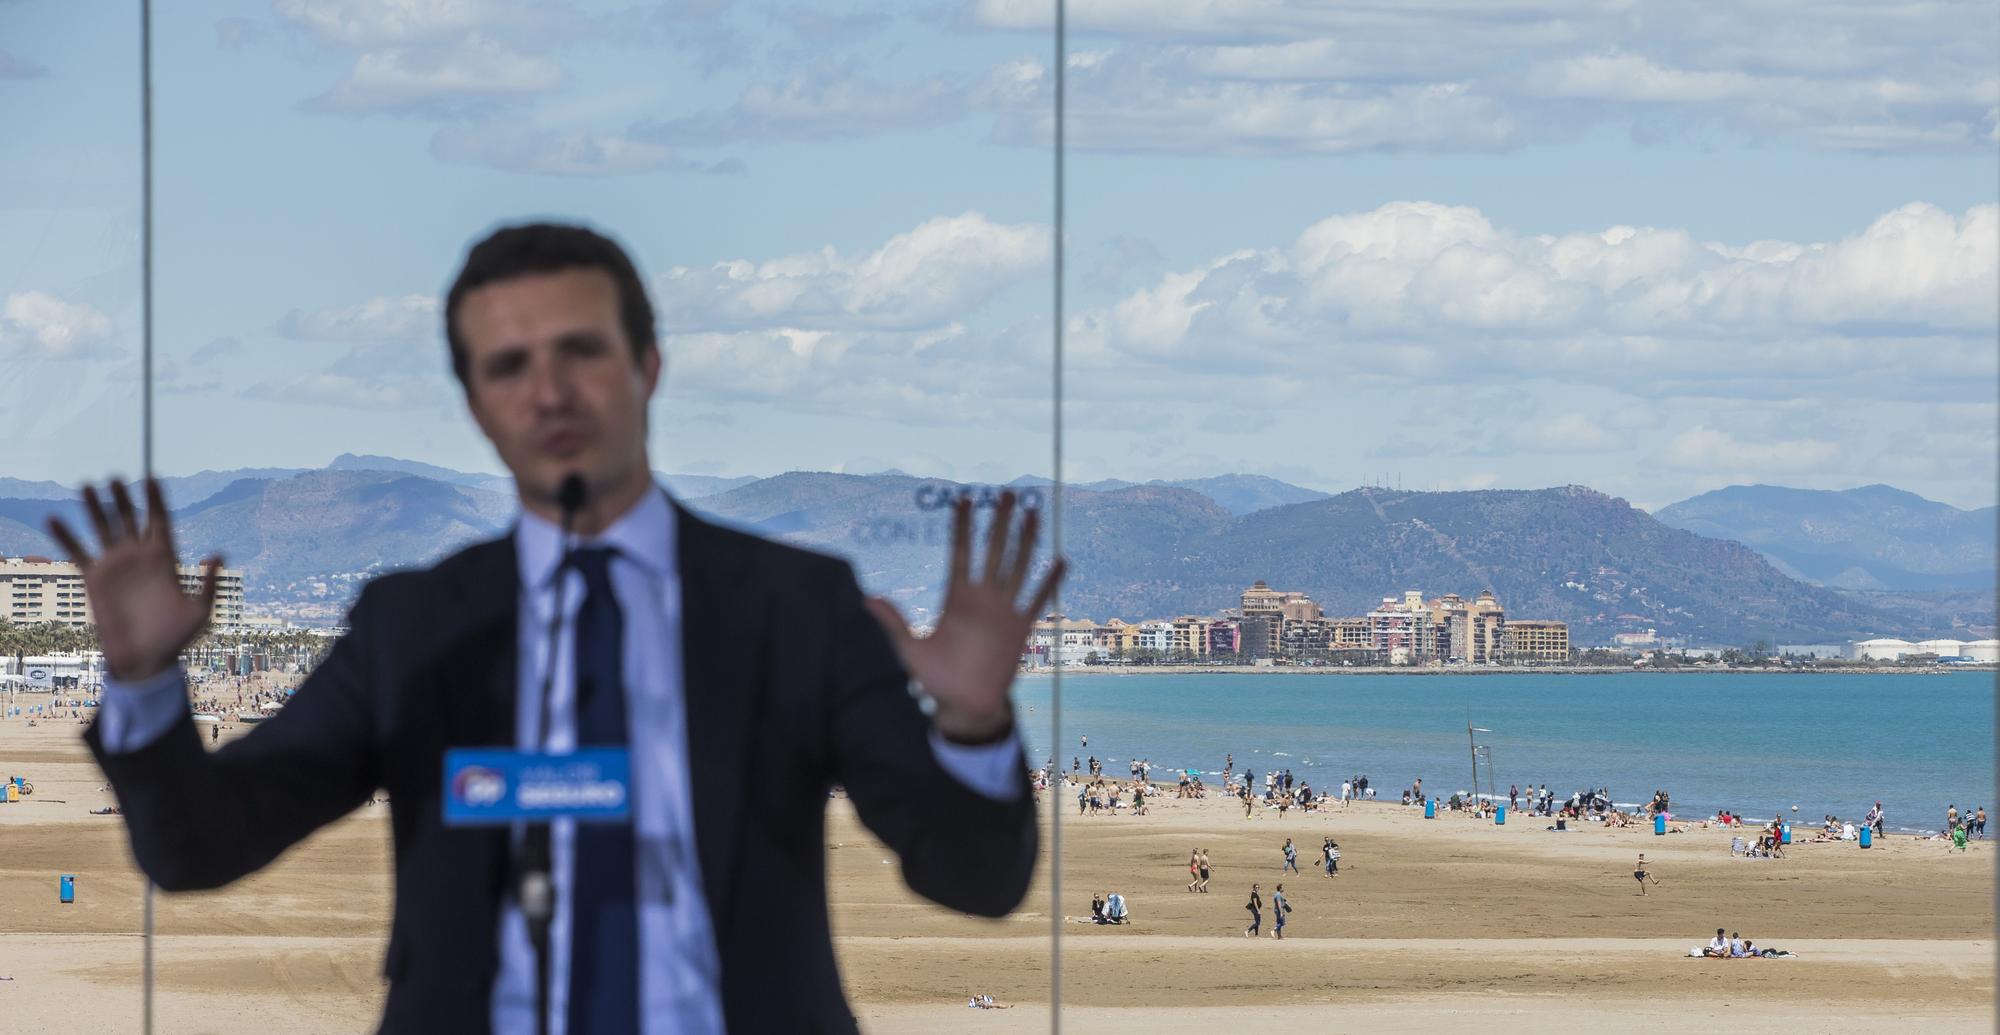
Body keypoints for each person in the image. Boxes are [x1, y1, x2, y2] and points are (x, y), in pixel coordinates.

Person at [62, 223, 1065, 1033]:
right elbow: (198, 848)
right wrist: (146, 683)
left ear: (649, 366)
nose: (547, 392)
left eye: (581, 350)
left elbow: (975, 880)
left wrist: (972, 727)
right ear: (475, 406)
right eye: (507, 366)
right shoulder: (414, 625)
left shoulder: (796, 606)